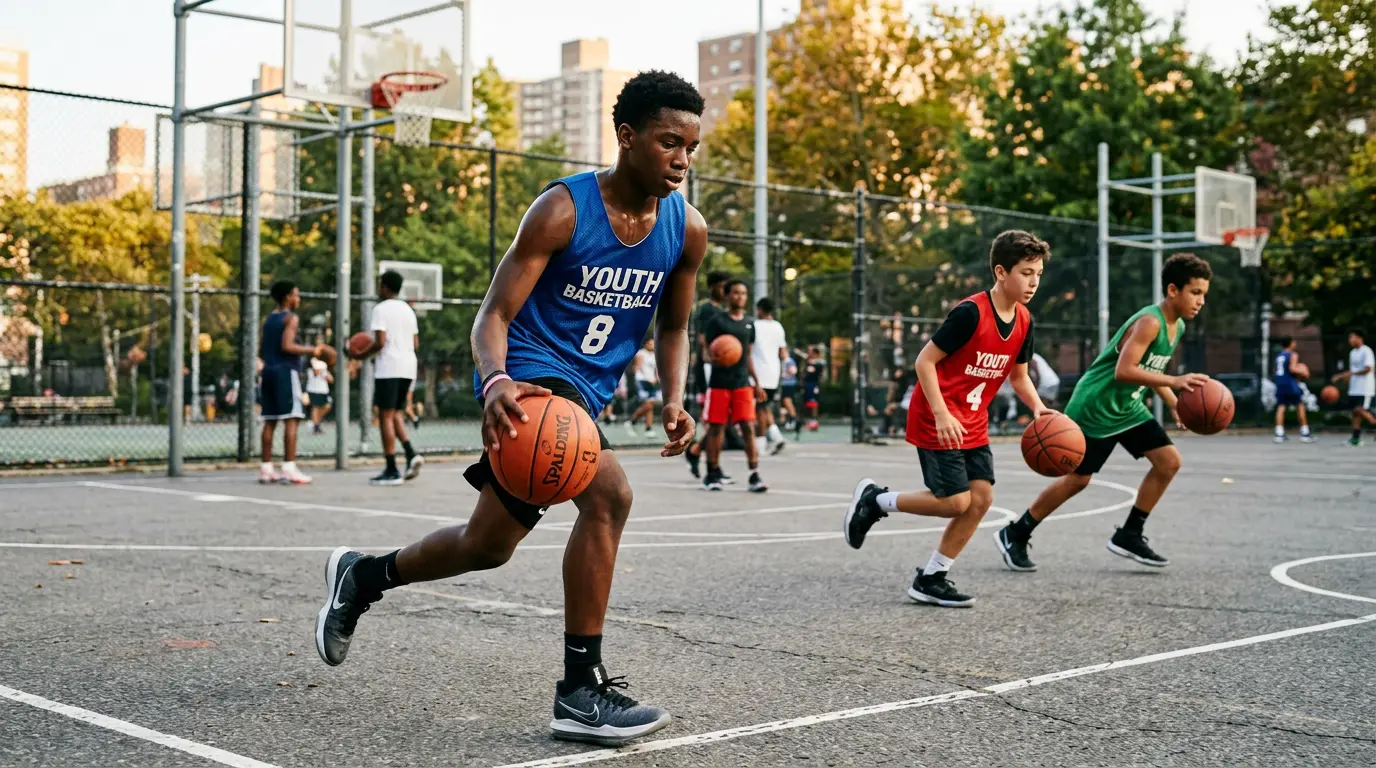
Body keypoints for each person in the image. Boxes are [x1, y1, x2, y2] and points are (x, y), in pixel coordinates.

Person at [315, 71, 707, 747]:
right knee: (610, 497)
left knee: (486, 546)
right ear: (627, 137)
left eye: (691, 147)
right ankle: (579, 691)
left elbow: (673, 328)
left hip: (587, 391)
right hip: (527, 378)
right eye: (669, 141)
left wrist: (674, 398)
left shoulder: (686, 230)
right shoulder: (562, 210)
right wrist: (495, 380)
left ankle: (364, 576)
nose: (680, 159)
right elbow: (493, 313)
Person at [844, 230, 1053, 607]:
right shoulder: (971, 313)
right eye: (1026, 272)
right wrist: (941, 413)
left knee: (981, 499)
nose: (1034, 281)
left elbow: (1018, 376)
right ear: (1001, 272)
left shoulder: (1024, 320)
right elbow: (924, 361)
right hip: (936, 415)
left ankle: (932, 577)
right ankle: (876, 501)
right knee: (957, 501)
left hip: (972, 420)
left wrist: (1037, 407)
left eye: (1038, 272)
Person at [996, 253, 1214, 573]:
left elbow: (1150, 368)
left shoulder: (1176, 326)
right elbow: (1125, 370)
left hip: (1127, 407)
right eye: (1195, 293)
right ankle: (1016, 532)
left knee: (1169, 462)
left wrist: (1172, 401)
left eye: (1203, 295)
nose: (1201, 301)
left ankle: (1130, 533)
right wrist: (1174, 382)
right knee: (1078, 480)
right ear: (1172, 290)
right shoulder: (1150, 322)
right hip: (1096, 406)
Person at [349, 270, 423, 486]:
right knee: (396, 414)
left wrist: (358, 355)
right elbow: (416, 343)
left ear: (385, 286)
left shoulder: (380, 309)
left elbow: (380, 342)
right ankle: (411, 454)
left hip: (389, 367)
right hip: (409, 366)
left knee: (384, 417)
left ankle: (391, 469)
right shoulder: (408, 310)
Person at [701, 279, 768, 492]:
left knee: (748, 427)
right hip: (719, 383)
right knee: (716, 428)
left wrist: (757, 383)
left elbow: (747, 356)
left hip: (742, 383)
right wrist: (715, 358)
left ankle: (754, 474)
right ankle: (712, 473)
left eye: (744, 293)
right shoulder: (716, 321)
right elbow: (705, 349)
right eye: (736, 293)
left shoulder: (749, 324)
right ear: (728, 296)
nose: (740, 297)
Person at [259, 281, 328, 484]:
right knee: (292, 418)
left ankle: (266, 468)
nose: (298, 299)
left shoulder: (269, 319)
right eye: (296, 295)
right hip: (285, 372)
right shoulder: (291, 318)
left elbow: (263, 347)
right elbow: (288, 346)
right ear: (288, 297)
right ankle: (289, 467)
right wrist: (313, 350)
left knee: (270, 420)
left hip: (268, 370)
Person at [684, 271, 731, 479]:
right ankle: (711, 465)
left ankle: (698, 454)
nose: (725, 290)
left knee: (723, 420)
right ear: (713, 287)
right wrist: (708, 361)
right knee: (715, 420)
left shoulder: (725, 312)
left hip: (726, 369)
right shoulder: (706, 309)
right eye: (722, 286)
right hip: (710, 370)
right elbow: (703, 340)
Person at [751, 297, 789, 455]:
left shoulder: (754, 325)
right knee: (764, 406)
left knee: (759, 409)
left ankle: (761, 443)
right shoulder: (778, 327)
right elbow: (783, 353)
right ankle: (776, 435)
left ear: (759, 309)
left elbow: (747, 349)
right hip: (774, 373)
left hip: (757, 373)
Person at [1332, 328, 1376, 446]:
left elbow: (1368, 369)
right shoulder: (1353, 353)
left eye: (1352, 337)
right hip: (1354, 388)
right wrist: (1345, 378)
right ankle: (1355, 438)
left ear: (1359, 338)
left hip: (1365, 387)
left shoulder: (1366, 351)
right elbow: (1352, 371)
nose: (1350, 340)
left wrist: (1350, 374)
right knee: (1355, 413)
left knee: (1360, 410)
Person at [1272, 337, 1314, 443]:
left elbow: (1276, 370)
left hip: (1280, 382)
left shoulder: (1279, 356)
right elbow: (1292, 368)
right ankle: (1305, 433)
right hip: (1290, 384)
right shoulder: (1293, 354)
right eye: (1294, 342)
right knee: (1300, 405)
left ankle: (1279, 433)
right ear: (1291, 344)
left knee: (1281, 407)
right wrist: (1304, 373)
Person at [628, 338, 661, 437]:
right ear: (645, 344)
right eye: (650, 343)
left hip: (651, 382)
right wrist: (647, 378)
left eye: (653, 343)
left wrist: (657, 378)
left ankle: (648, 428)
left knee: (650, 405)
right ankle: (632, 421)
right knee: (648, 404)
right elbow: (638, 367)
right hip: (642, 381)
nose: (652, 345)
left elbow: (655, 369)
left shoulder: (654, 355)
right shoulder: (641, 353)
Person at [305, 357, 333, 435]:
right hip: (314, 391)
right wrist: (319, 367)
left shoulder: (324, 369)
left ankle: (315, 422)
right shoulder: (310, 370)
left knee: (327, 406)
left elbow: (331, 380)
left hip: (323, 391)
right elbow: (316, 373)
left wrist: (324, 372)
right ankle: (316, 427)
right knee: (315, 408)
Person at [801, 346, 823, 431]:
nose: (809, 353)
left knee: (813, 402)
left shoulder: (818, 363)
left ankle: (814, 421)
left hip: (814, 385)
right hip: (807, 385)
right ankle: (810, 421)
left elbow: (818, 373)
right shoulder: (808, 363)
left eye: (811, 352)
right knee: (807, 403)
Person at [779, 353, 799, 430]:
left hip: (789, 384)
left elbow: (793, 371)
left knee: (787, 401)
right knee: (783, 403)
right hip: (783, 384)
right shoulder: (782, 361)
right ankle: (785, 421)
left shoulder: (789, 361)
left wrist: (785, 374)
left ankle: (793, 420)